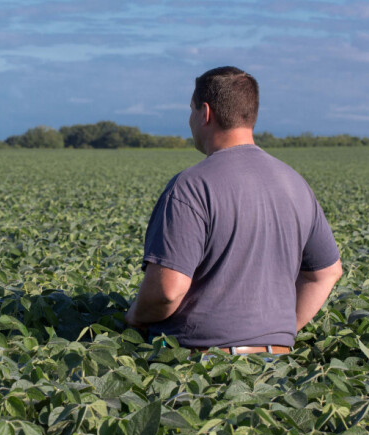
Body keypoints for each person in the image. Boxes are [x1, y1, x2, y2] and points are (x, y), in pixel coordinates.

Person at [125, 66, 342, 356]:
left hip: (200, 369)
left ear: (205, 113)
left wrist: (134, 317)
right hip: (276, 368)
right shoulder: (295, 183)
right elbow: (326, 273)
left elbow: (167, 291)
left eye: (190, 111)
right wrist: (278, 333)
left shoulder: (191, 186)